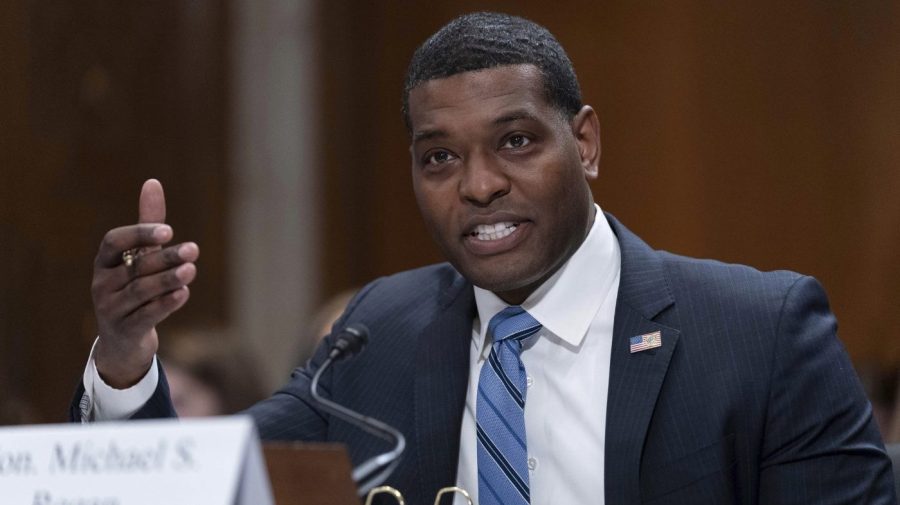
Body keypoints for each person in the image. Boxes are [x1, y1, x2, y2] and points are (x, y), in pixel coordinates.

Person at [71, 12, 895, 504]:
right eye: (438, 158)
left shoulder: (758, 334)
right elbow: (195, 486)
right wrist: (124, 354)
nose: (479, 185)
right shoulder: (379, 334)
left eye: (516, 141)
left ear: (586, 142)